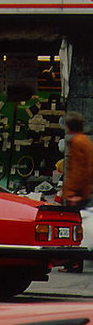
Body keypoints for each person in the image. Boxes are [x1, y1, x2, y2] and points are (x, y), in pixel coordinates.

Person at [60, 112, 93, 273]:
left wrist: (73, 193)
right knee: (78, 227)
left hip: (76, 193)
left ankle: (73, 263)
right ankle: (74, 262)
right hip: (83, 191)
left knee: (73, 228)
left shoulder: (77, 142)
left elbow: (78, 171)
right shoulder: (85, 141)